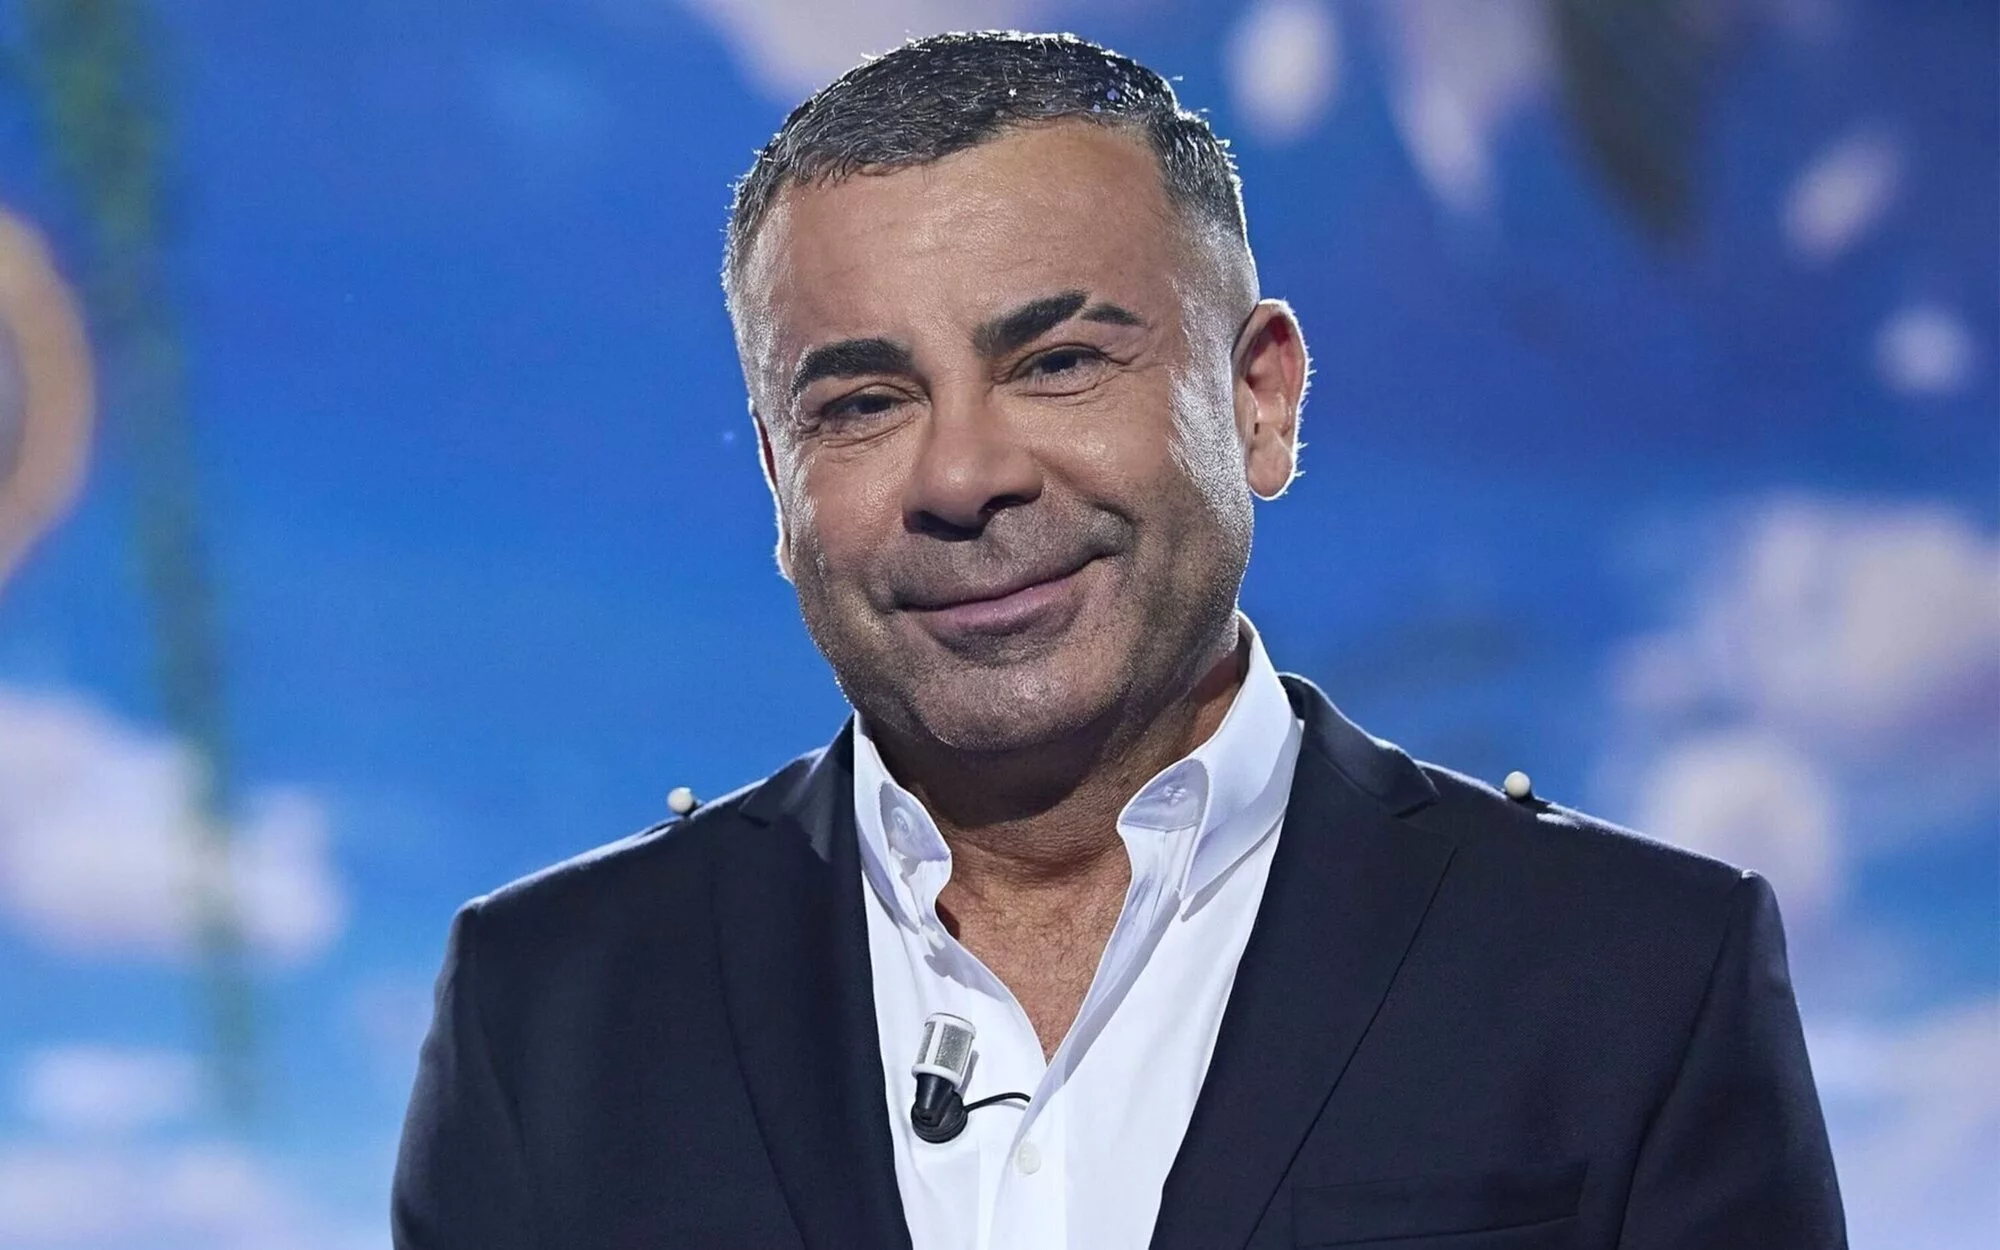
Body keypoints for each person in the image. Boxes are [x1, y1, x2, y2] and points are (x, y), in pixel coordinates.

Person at [393, 31, 1844, 1250]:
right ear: (780, 485)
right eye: (863, 403)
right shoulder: (545, 1011)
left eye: (1059, 362)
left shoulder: (1638, 977)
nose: (964, 476)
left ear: (1260, 400)